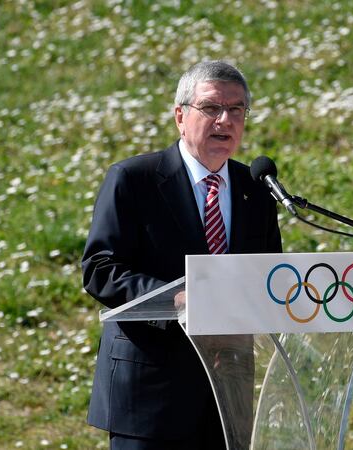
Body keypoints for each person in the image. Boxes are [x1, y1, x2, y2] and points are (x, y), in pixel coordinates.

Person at [82, 60, 282, 450]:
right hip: (150, 395)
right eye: (211, 108)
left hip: (228, 391)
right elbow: (100, 269)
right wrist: (176, 300)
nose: (225, 120)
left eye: (236, 110)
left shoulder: (255, 187)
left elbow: (267, 274)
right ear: (180, 115)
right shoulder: (134, 179)